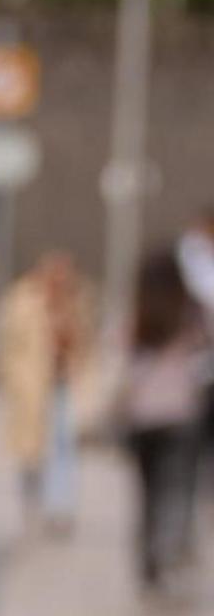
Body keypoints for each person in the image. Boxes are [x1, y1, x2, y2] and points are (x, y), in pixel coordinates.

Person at [119, 248, 208, 598]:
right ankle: (169, 550)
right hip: (180, 415)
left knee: (147, 493)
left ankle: (149, 557)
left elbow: (124, 359)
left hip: (143, 417)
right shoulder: (190, 312)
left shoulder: (139, 312)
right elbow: (203, 356)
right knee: (176, 489)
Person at [0, 250, 88, 536]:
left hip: (62, 383)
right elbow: (7, 345)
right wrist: (11, 379)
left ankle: (59, 507)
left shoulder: (74, 301)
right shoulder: (22, 300)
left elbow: (83, 343)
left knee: (63, 446)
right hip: (30, 385)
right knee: (31, 452)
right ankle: (32, 501)